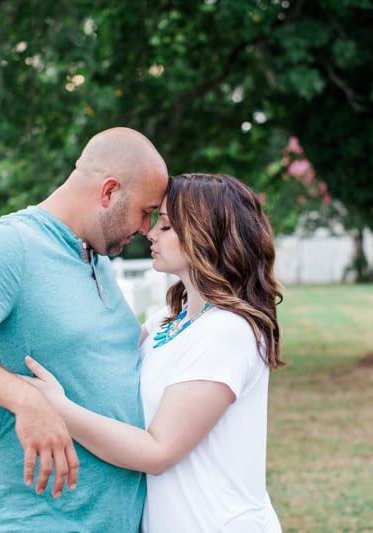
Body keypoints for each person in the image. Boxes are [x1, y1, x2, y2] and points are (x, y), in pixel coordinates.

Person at [0, 127, 169, 532]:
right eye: (146, 211)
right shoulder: (10, 244)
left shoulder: (95, 259)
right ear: (109, 192)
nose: (148, 227)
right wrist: (23, 398)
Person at [23, 172, 285, 532]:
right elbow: (103, 355)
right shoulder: (168, 318)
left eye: (164, 225)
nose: (150, 232)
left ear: (203, 233)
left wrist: (59, 408)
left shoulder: (228, 331)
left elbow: (158, 451)